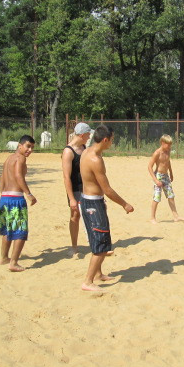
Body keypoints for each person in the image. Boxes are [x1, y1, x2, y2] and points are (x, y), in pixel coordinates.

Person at [79, 125, 134, 291]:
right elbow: (107, 189)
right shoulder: (96, 160)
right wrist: (125, 204)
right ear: (105, 140)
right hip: (93, 204)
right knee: (101, 244)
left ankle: (98, 274)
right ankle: (88, 282)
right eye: (112, 140)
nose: (112, 143)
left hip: (88, 200)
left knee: (97, 240)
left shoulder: (86, 151)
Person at [0, 134, 37, 272]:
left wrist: (3, 193)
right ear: (20, 146)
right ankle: (13, 262)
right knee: (20, 231)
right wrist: (29, 194)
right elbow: (18, 175)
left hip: (4, 198)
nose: (30, 150)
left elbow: (2, 178)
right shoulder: (20, 158)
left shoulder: (9, 158)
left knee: (8, 229)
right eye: (28, 146)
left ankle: (4, 257)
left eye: (32, 148)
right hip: (15, 198)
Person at [62, 122, 92, 257]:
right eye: (88, 134)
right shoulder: (68, 151)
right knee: (75, 216)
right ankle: (74, 246)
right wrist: (72, 199)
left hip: (85, 187)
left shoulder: (84, 147)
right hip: (74, 189)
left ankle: (94, 243)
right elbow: (66, 177)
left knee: (91, 213)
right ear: (82, 135)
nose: (89, 136)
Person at [148, 134, 184, 223]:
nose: (169, 146)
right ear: (162, 143)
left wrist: (171, 173)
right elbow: (149, 167)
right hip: (158, 176)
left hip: (166, 176)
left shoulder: (168, 151)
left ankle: (176, 216)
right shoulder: (157, 153)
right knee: (157, 197)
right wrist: (155, 180)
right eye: (168, 144)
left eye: (170, 145)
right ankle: (152, 218)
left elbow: (168, 162)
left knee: (171, 196)